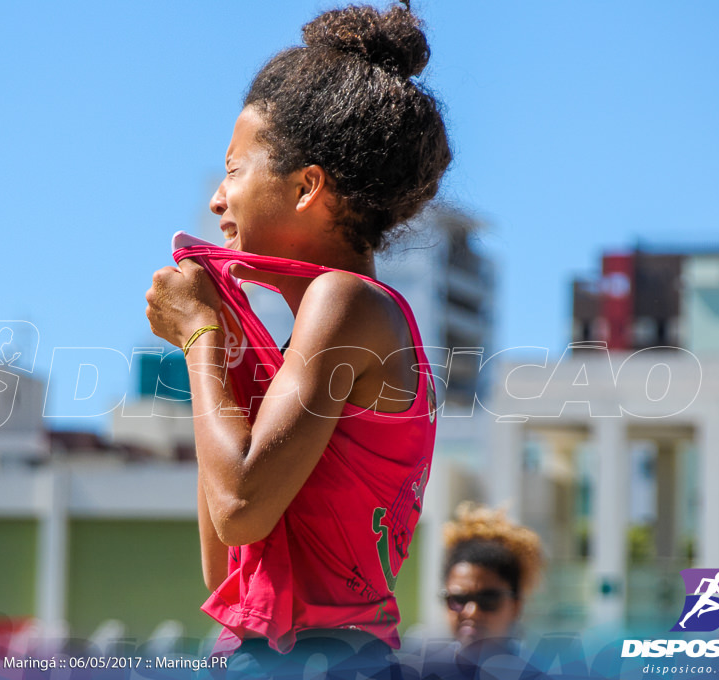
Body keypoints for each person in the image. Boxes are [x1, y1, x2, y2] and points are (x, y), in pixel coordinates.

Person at [144, 2, 450, 674]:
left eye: (234, 170)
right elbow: (223, 565)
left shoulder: (347, 304)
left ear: (308, 186)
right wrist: (221, 346)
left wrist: (198, 337)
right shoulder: (312, 337)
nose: (219, 200)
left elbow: (241, 508)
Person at [441, 504, 545, 650]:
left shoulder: (540, 670)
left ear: (516, 606)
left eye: (488, 600)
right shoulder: (423, 670)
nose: (471, 612)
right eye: (458, 600)